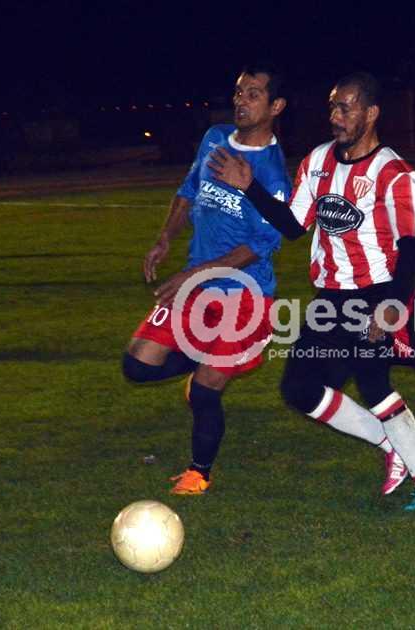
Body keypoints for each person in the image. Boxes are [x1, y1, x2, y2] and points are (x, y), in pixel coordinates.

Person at [210, 72, 415, 511]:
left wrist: (392, 308)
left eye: (346, 108)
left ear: (371, 113)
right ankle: (390, 445)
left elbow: (412, 249)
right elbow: (293, 225)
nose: (336, 117)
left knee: (374, 384)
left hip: (378, 293)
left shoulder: (395, 174)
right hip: (331, 300)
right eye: (333, 107)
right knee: (299, 389)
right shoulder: (317, 161)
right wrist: (251, 187)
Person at [121, 65, 290, 495]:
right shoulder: (215, 138)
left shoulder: (273, 175)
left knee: (205, 391)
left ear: (276, 106)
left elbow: (259, 246)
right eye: (239, 92)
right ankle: (204, 360)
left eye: (253, 94)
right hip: (196, 285)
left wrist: (193, 273)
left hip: (245, 297)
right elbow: (188, 191)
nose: (241, 101)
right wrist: (165, 238)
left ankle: (199, 473)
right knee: (137, 365)